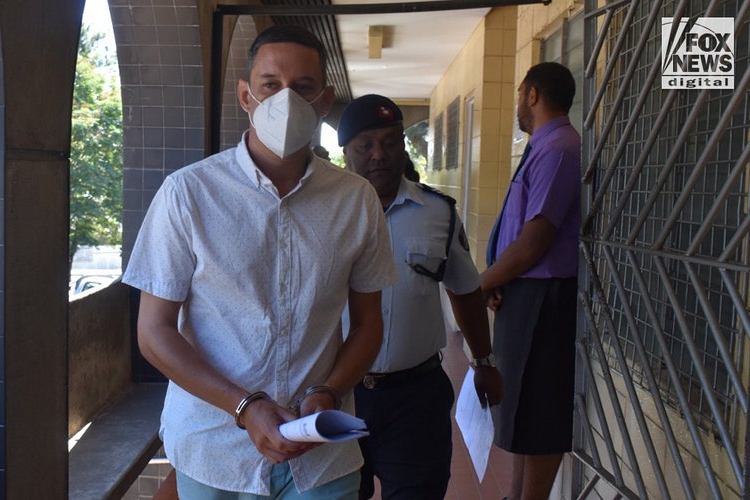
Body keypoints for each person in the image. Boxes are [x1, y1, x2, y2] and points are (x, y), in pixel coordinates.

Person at [122, 25, 397, 499]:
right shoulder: (188, 194)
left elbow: (369, 324)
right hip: (214, 449)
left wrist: (328, 393)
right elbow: (154, 332)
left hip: (320, 455)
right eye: (271, 85)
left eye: (303, 87)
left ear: (324, 100)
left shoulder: (356, 200)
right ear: (246, 96)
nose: (286, 100)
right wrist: (245, 407)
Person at [337, 94, 503, 499]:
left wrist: (483, 361)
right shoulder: (324, 212)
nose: (379, 155)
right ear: (346, 151)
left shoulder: (438, 213)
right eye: (366, 145)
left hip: (415, 395)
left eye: (391, 142)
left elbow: (464, 290)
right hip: (337, 394)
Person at [481, 62, 581, 500]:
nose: (518, 104)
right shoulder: (542, 146)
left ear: (533, 94)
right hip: (526, 292)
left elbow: (533, 242)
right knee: (520, 408)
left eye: (520, 93)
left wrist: (482, 283)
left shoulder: (559, 148)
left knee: (539, 412)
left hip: (546, 299)